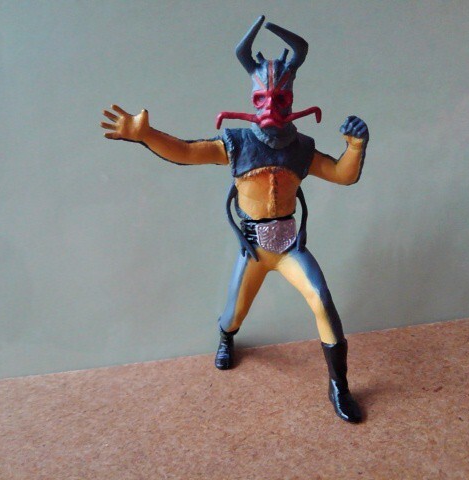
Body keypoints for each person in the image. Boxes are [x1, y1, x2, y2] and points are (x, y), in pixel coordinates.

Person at [100, 16, 369, 423]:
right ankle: (226, 337)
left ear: (291, 101)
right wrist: (146, 136)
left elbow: (342, 174)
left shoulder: (301, 148)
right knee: (233, 314)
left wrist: (356, 146)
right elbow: (187, 152)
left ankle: (339, 387)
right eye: (263, 99)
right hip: (254, 248)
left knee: (323, 301)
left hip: (291, 246)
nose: (271, 109)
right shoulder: (237, 143)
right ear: (253, 100)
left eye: (280, 100)